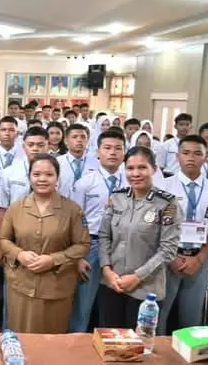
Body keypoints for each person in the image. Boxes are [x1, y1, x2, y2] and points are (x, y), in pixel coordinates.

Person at [0, 154, 90, 333]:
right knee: (21, 337)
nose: (42, 179)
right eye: (36, 174)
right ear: (29, 177)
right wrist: (19, 254)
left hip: (56, 286)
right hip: (21, 285)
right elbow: (3, 240)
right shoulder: (16, 208)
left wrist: (53, 259)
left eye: (49, 174)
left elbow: (83, 245)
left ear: (57, 178)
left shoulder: (72, 210)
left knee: (51, 341)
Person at [98, 146, 182, 329]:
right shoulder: (117, 198)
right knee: (111, 340)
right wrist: (106, 270)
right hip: (113, 284)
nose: (135, 173)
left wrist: (137, 277)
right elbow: (104, 236)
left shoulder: (167, 204)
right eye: (130, 168)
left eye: (142, 167)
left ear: (154, 169)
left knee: (140, 343)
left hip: (146, 290)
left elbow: (167, 250)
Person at [158, 135, 208, 335]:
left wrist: (200, 259)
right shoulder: (163, 188)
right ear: (177, 156)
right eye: (186, 153)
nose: (191, 158)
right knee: (159, 317)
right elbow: (154, 228)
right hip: (167, 260)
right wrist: (171, 257)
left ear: (206, 157)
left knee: (191, 320)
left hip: (199, 260)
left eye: (197, 154)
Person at [68, 130, 126, 332]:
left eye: (118, 148)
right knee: (83, 303)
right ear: (97, 152)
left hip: (121, 245)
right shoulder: (85, 183)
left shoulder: (131, 182)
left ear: (124, 153)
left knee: (114, 300)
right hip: (91, 244)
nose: (113, 153)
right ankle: (76, 341)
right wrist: (77, 256)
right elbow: (74, 221)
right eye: (107, 148)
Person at [57, 124, 96, 198]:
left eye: (83, 137)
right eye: (74, 137)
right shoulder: (57, 163)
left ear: (87, 140)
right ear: (65, 141)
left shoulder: (96, 163)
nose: (79, 140)